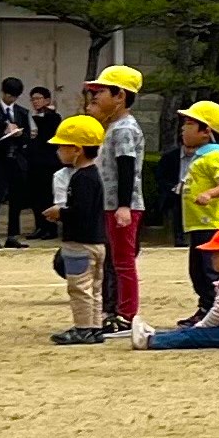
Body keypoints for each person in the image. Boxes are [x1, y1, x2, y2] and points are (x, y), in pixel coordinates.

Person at [133, 226, 219, 351]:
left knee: (193, 335)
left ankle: (150, 340)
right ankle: (154, 334)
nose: (212, 258)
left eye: (218, 254)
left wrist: (201, 325)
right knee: (193, 332)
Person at [84, 64, 146, 336]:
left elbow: (126, 166)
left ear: (120, 95)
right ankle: (116, 310)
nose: (95, 96)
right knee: (116, 260)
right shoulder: (116, 126)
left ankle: (127, 313)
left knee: (123, 261)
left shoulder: (124, 129)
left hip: (122, 205)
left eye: (101, 91)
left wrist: (124, 205)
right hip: (112, 204)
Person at [45, 113, 112, 346]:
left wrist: (59, 213)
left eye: (63, 146)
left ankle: (83, 327)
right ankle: (94, 326)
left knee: (79, 287)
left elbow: (79, 211)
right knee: (94, 287)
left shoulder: (80, 178)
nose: (58, 151)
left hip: (79, 242)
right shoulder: (93, 175)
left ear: (77, 149)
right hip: (96, 241)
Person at [172, 101, 219, 326]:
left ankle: (216, 312)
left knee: (210, 273)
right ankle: (206, 308)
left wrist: (210, 194)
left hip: (212, 226)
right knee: (197, 272)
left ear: (206, 131)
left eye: (190, 124)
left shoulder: (215, 157)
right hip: (199, 225)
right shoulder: (201, 157)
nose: (183, 128)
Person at [0, 76, 34, 249]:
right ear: (3, 93)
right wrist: (4, 133)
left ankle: (12, 235)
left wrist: (19, 135)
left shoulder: (22, 112)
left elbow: (27, 137)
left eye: (15, 97)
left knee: (16, 198)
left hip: (16, 158)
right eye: (9, 96)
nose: (12, 99)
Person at [22, 86, 62, 239]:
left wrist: (43, 115)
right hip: (34, 162)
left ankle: (50, 228)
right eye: (33, 99)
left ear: (47, 100)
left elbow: (48, 135)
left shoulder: (53, 117)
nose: (35, 102)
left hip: (48, 163)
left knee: (47, 196)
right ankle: (39, 226)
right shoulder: (31, 116)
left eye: (38, 98)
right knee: (35, 197)